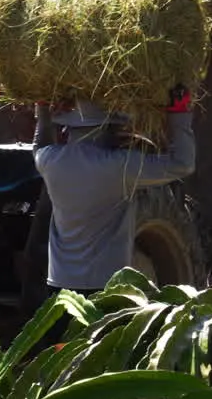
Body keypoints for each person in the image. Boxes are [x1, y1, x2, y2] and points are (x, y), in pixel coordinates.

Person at [32, 88, 196, 296]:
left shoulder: (50, 161)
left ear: (69, 129)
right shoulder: (118, 167)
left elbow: (39, 146)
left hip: (59, 285)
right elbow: (183, 164)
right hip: (107, 288)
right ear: (103, 129)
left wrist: (42, 110)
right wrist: (179, 114)